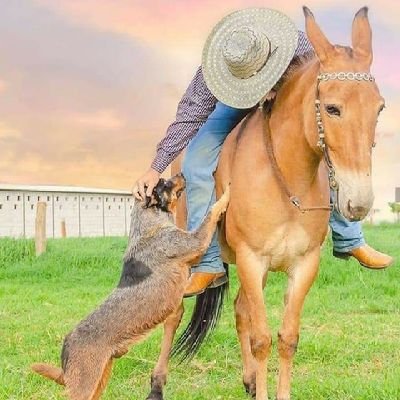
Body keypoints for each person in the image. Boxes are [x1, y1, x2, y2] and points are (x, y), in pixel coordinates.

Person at [133, 7, 393, 297]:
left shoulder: (298, 45)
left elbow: (333, 79)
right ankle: (206, 262)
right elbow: (188, 116)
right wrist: (156, 167)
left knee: (326, 138)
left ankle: (349, 237)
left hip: (286, 101)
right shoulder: (213, 69)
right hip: (231, 102)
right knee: (195, 163)